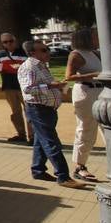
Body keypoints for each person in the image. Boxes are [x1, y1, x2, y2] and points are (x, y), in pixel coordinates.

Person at [18, 40, 87, 189]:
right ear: (32, 53)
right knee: (51, 142)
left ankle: (38, 170)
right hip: (38, 109)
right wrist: (51, 86)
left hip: (47, 109)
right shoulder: (29, 67)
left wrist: (57, 87)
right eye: (43, 50)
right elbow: (28, 89)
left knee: (41, 141)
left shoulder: (42, 66)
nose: (48, 52)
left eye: (47, 49)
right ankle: (63, 176)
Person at [65, 27, 102, 181]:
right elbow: (69, 77)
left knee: (109, 128)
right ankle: (79, 166)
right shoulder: (76, 54)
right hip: (86, 92)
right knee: (86, 128)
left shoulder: (96, 53)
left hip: (101, 91)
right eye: (95, 36)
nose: (98, 38)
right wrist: (93, 75)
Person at [0, 33, 30, 144]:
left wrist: (19, 68)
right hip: (9, 86)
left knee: (29, 111)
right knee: (15, 112)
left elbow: (30, 68)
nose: (8, 44)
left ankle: (33, 136)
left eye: (10, 41)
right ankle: (21, 134)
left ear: (15, 41)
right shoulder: (1, 55)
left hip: (24, 86)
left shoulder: (24, 53)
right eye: (5, 42)